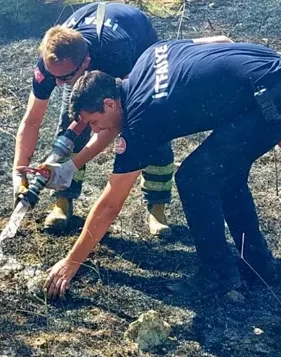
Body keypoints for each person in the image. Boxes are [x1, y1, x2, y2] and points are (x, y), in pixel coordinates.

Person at [40, 36, 281, 299]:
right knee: (225, 175)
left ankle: (218, 274)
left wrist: (71, 262)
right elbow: (221, 40)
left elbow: (111, 204)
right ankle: (258, 265)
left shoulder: (141, 120)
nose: (98, 131)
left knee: (195, 178)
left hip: (276, 100)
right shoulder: (148, 57)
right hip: (277, 71)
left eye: (95, 123)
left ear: (109, 104)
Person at [12, 1, 174, 236]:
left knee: (150, 124)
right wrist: (18, 173)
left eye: (64, 78)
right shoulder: (54, 63)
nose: (57, 83)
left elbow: (114, 123)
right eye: (53, 77)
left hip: (138, 43)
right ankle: (63, 201)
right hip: (90, 44)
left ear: (85, 63)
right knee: (69, 120)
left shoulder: (116, 54)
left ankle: (157, 206)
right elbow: (31, 120)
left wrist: (71, 165)